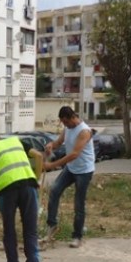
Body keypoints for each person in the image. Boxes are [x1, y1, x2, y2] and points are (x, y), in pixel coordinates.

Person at [0, 130, 44, 262]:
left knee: (9, 232)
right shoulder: (17, 141)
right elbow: (39, 156)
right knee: (30, 230)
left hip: (7, 191)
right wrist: (37, 179)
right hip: (28, 186)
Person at [42, 106, 96, 248]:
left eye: (65, 122)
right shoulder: (67, 128)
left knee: (79, 204)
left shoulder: (84, 131)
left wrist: (52, 165)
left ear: (72, 117)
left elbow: (73, 155)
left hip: (84, 171)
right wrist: (51, 145)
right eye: (63, 123)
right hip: (71, 169)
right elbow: (59, 142)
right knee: (54, 190)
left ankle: (77, 236)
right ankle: (51, 226)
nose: (65, 125)